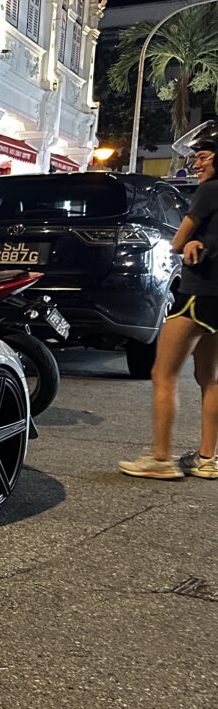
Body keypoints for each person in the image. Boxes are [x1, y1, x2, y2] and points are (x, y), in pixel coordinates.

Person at [119, 121, 218, 480]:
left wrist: (190, 243)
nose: (196, 164)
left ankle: (160, 458)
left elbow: (176, 242)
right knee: (210, 376)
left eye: (204, 157)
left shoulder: (209, 193)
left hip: (199, 293)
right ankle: (208, 458)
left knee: (163, 373)